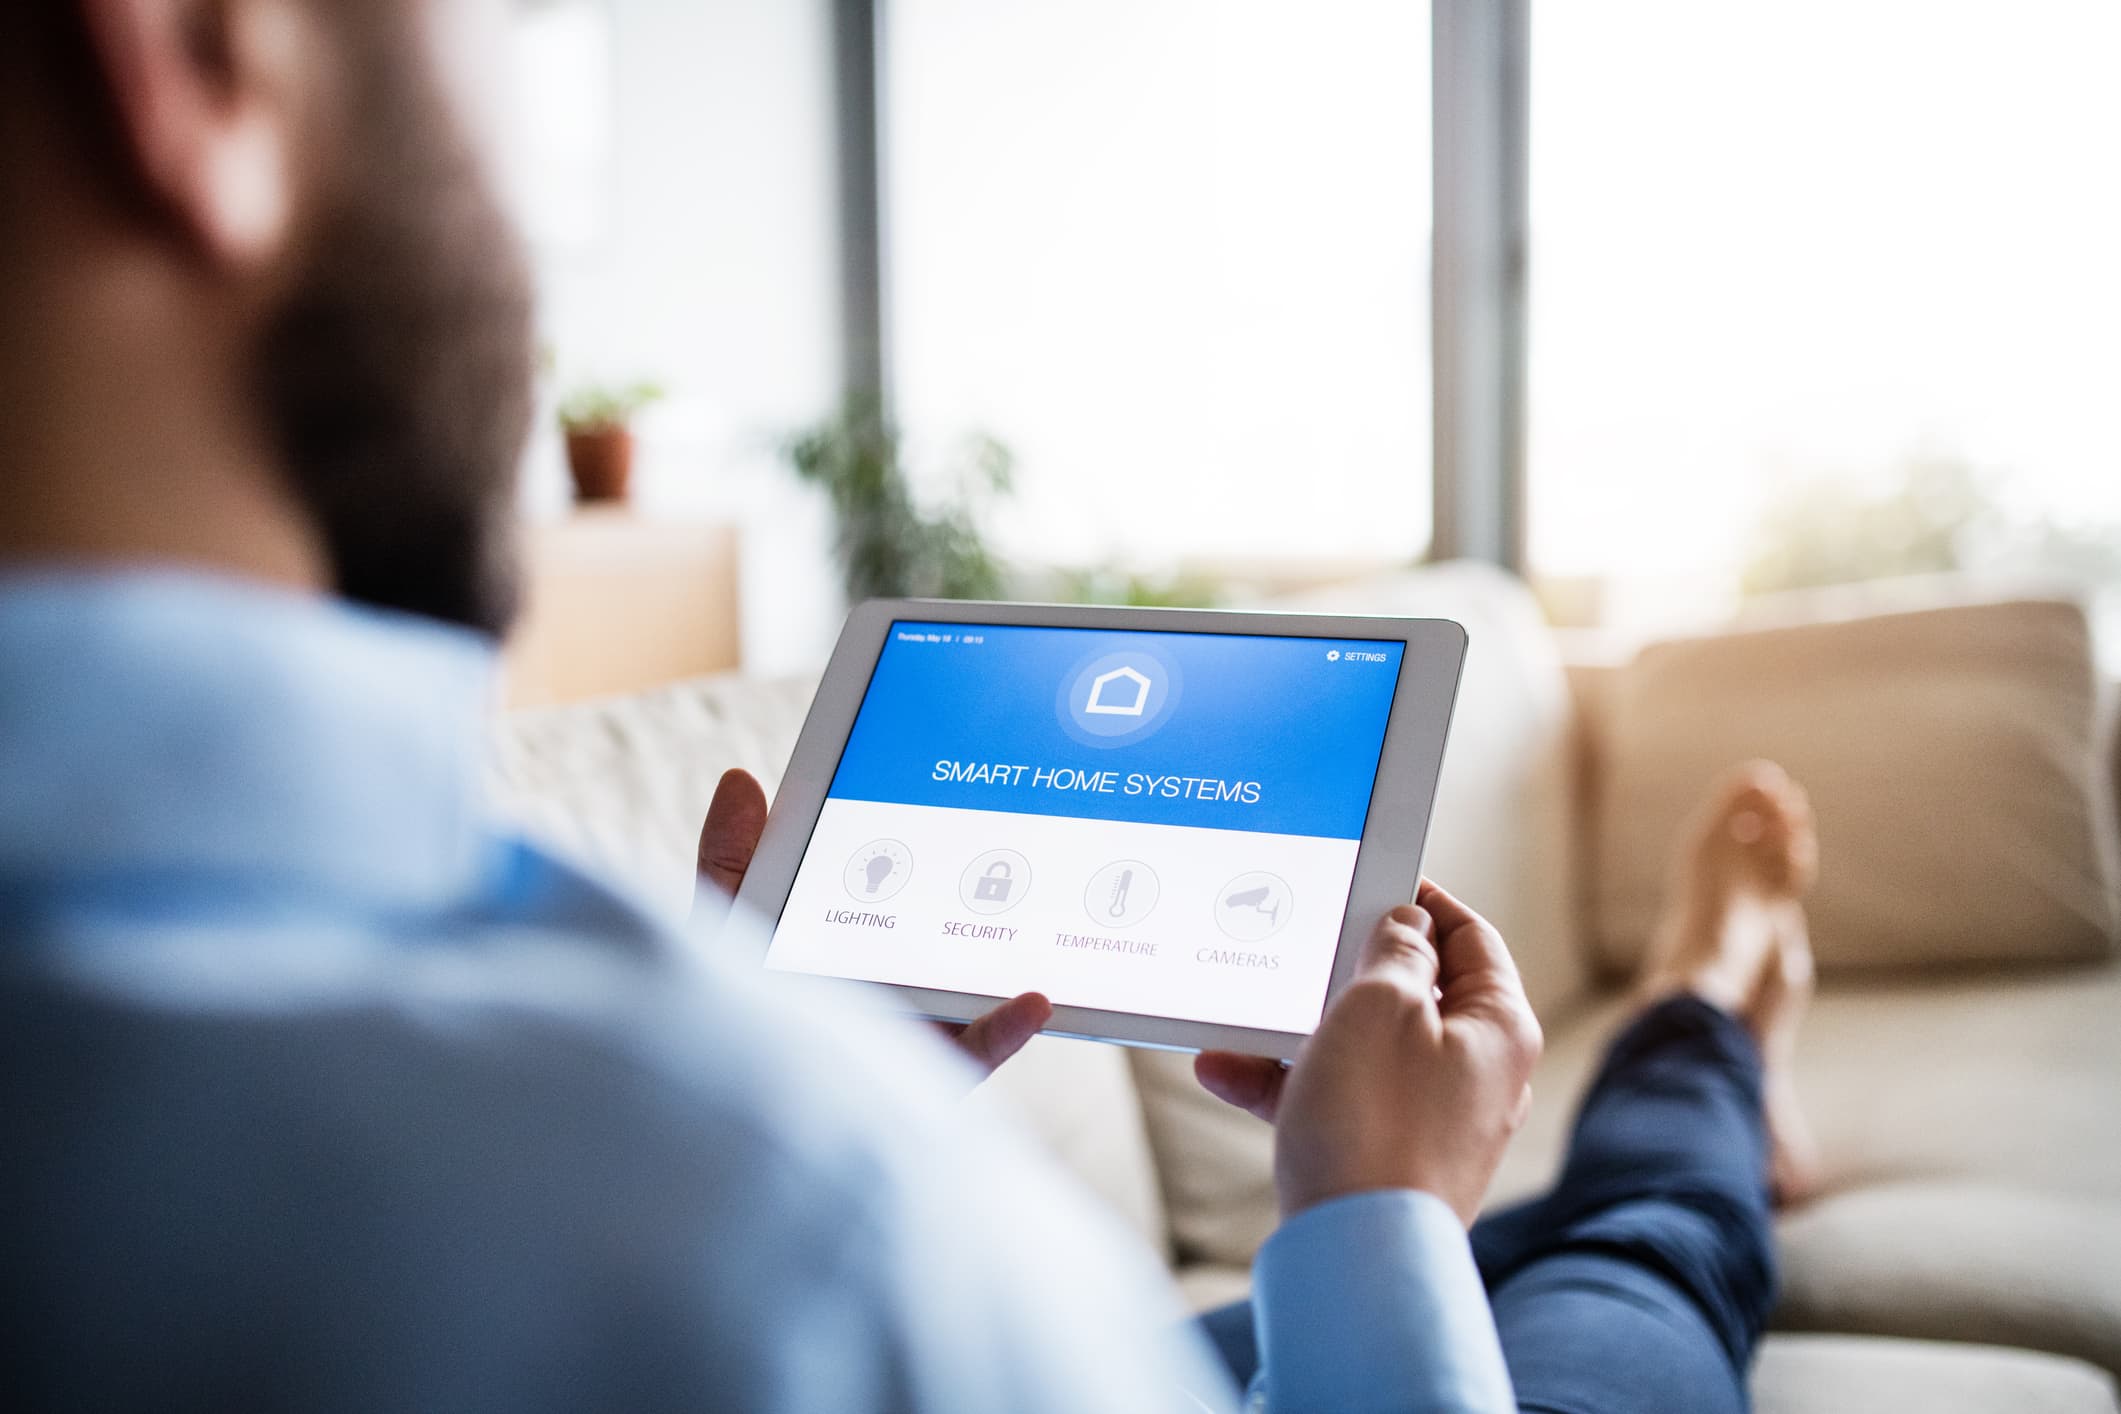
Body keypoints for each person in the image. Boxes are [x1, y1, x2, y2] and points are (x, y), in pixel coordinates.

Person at [0, 1, 1818, 1409]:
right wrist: (1380, 1222)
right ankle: (1715, 1000)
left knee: (1514, 1227)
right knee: (1642, 1250)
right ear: (190, 51)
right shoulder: (782, 1223)